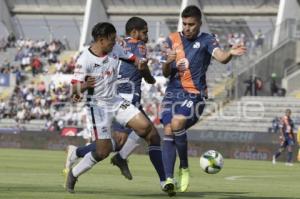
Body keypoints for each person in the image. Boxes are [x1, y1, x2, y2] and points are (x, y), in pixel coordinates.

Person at [65, 22, 170, 195]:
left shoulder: (115, 50)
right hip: (97, 106)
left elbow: (133, 58)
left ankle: (137, 165)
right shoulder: (84, 60)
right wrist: (84, 86)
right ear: (100, 40)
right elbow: (73, 91)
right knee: (102, 151)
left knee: (147, 128)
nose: (115, 42)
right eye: (112, 40)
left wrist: (141, 64)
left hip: (115, 100)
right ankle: (74, 173)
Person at [160, 5, 246, 193]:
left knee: (176, 123)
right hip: (172, 94)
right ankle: (168, 179)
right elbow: (165, 73)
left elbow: (221, 57)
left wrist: (230, 52)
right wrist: (167, 61)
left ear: (199, 23)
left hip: (194, 94)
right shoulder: (172, 39)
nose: (187, 28)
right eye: (184, 24)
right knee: (168, 129)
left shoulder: (208, 40)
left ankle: (183, 166)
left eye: (191, 24)